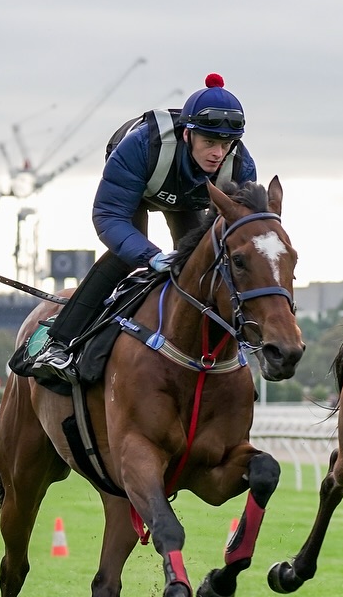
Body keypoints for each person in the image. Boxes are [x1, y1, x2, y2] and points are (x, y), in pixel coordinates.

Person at [28, 73, 257, 378]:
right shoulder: (141, 146)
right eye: (210, 142)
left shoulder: (241, 165)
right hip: (137, 187)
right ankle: (59, 344)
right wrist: (150, 255)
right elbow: (109, 215)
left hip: (187, 200)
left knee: (202, 264)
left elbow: (237, 233)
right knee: (125, 256)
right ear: (187, 135)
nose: (218, 153)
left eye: (226, 144)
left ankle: (230, 350)